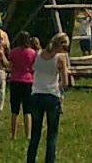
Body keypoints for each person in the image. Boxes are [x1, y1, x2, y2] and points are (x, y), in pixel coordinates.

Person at [26, 33, 70, 163]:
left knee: (35, 133)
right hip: (51, 95)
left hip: (36, 94)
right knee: (52, 134)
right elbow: (65, 82)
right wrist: (61, 92)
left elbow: (33, 69)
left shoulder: (38, 54)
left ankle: (30, 159)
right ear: (61, 45)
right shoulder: (60, 58)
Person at [8, 31, 35, 140]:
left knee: (14, 110)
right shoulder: (32, 53)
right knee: (27, 110)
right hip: (28, 80)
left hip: (15, 80)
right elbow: (34, 67)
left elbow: (10, 66)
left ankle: (13, 134)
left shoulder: (13, 52)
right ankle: (28, 134)